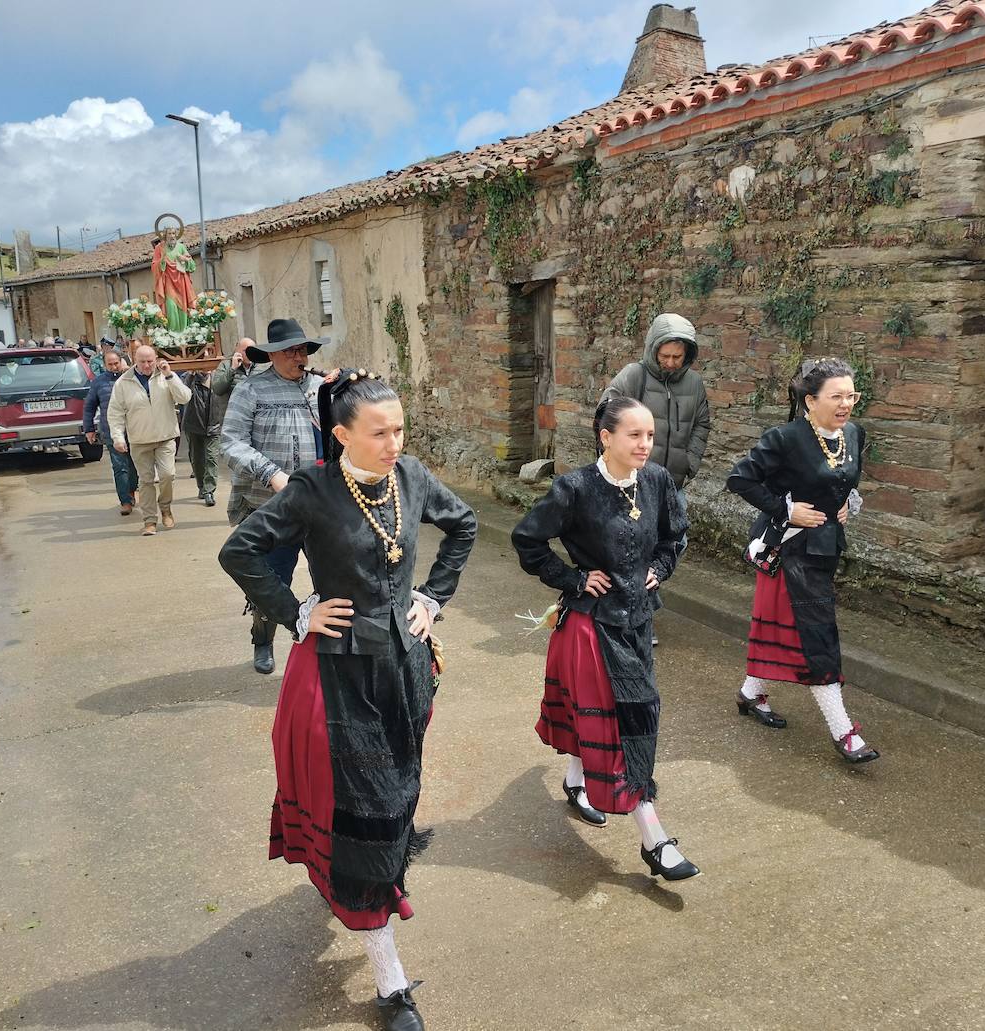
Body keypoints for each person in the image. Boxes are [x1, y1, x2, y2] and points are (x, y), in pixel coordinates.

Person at [219, 370, 476, 1031]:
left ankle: (368, 871)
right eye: (379, 431)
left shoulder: (411, 476)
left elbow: (464, 523)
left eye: (399, 428)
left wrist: (432, 598)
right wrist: (297, 609)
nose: (395, 442)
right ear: (340, 435)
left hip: (405, 668)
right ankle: (390, 980)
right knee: (366, 810)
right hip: (338, 676)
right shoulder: (312, 489)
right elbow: (240, 548)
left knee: (397, 795)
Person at [511, 396, 699, 881]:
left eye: (650, 436)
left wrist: (660, 568)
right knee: (623, 723)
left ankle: (576, 783)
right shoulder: (573, 488)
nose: (645, 444)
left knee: (616, 712)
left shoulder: (656, 480)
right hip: (590, 628)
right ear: (606, 436)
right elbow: (527, 539)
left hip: (638, 622)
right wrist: (573, 580)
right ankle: (654, 839)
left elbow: (675, 535)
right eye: (634, 435)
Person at [726, 356, 878, 764]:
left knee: (790, 630)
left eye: (851, 395)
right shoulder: (785, 438)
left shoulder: (855, 434)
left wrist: (849, 503)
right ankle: (843, 732)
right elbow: (739, 479)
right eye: (836, 396)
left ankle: (750, 692)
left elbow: (843, 483)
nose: (846, 404)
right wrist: (784, 509)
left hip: (825, 549)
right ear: (810, 401)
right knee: (817, 637)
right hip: (788, 550)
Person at [220, 319, 329, 674]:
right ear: (272, 355)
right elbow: (231, 442)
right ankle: (263, 639)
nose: (299, 357)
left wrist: (348, 384)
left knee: (333, 577)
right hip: (271, 507)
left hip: (321, 506)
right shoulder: (252, 390)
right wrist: (273, 474)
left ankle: (330, 648)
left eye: (303, 350)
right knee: (271, 580)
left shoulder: (321, 387)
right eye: (291, 351)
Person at [601, 312, 710, 644]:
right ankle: (635, 618)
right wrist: (622, 465)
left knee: (672, 545)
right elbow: (605, 418)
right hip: (632, 484)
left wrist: (689, 461)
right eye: (666, 356)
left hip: (671, 484)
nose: (672, 363)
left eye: (679, 357)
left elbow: (702, 424)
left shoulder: (694, 384)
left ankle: (638, 607)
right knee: (631, 548)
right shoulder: (633, 377)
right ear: (653, 349)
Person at [107, 344, 192, 537]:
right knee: (145, 481)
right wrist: (118, 437)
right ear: (133, 361)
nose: (147, 365)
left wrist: (170, 376)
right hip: (139, 440)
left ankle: (166, 508)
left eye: (150, 361)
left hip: (165, 437)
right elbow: (115, 413)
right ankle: (150, 521)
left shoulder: (165, 376)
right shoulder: (123, 382)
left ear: (156, 359)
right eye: (142, 362)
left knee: (168, 475)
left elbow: (185, 397)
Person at [83, 349, 140, 515]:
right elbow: (89, 407)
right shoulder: (98, 382)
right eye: (110, 364)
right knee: (119, 466)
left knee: (134, 465)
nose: (114, 367)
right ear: (104, 364)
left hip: (135, 429)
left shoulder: (131, 378)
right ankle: (125, 501)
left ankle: (131, 490)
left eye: (116, 363)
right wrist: (89, 429)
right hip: (111, 431)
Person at [180, 368, 226, 507]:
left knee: (212, 457)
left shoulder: (219, 377)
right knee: (197, 458)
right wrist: (190, 374)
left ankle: (209, 491)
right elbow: (182, 394)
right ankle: (201, 486)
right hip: (193, 424)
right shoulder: (187, 377)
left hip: (214, 424)